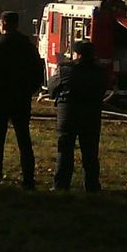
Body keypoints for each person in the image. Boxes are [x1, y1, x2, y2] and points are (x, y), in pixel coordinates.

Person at [0, 10, 44, 190]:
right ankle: (28, 179)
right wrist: (28, 90)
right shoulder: (28, 48)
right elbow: (38, 73)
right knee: (24, 140)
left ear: (2, 25)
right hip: (21, 99)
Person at [48, 41, 106, 192]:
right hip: (91, 114)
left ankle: (61, 185)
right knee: (90, 152)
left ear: (77, 54)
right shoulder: (100, 71)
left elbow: (51, 88)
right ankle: (92, 186)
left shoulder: (64, 69)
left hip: (67, 113)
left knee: (65, 149)